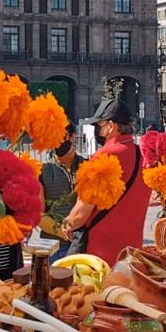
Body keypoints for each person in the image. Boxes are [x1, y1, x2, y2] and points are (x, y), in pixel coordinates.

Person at [60, 99, 150, 263]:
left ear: (111, 126)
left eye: (98, 126)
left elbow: (81, 212)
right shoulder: (142, 156)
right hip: (131, 253)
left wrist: (67, 224)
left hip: (99, 254)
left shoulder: (105, 156)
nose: (96, 130)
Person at [37, 124, 85, 259]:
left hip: (84, 243)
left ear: (72, 137)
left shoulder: (89, 166)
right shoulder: (41, 171)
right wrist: (63, 232)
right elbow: (39, 215)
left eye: (61, 136)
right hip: (54, 246)